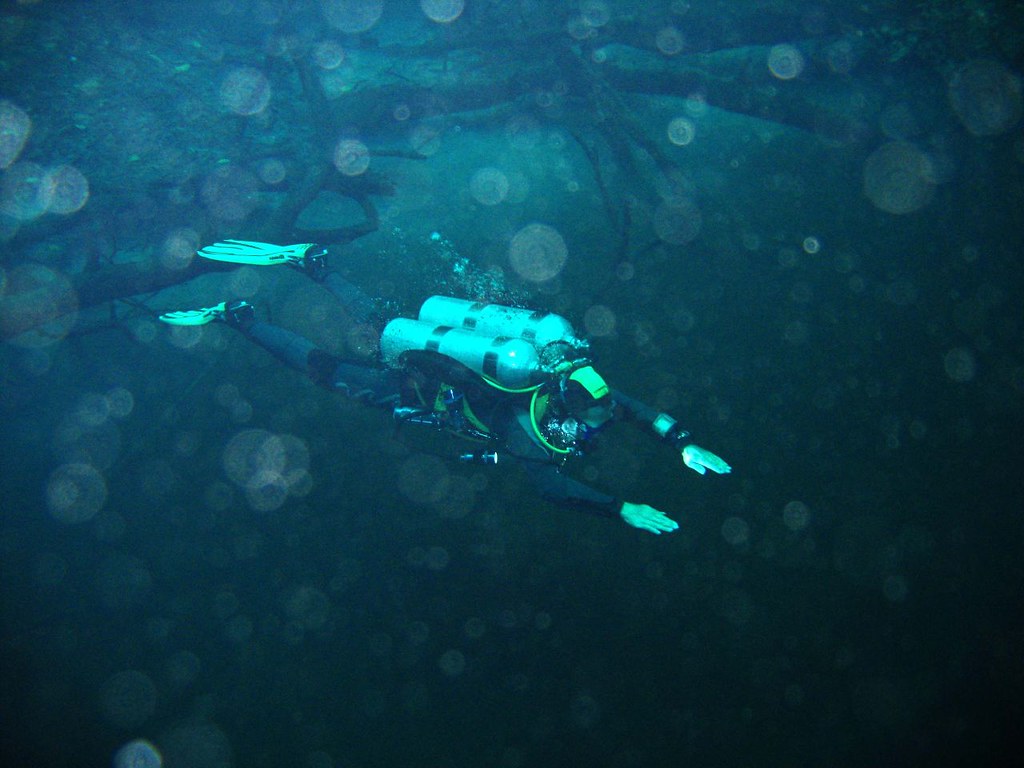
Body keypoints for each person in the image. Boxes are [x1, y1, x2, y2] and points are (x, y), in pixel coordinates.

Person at [161, 240, 732, 535]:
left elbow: (632, 409)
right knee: (327, 370)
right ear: (566, 406)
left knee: (380, 319)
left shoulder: (567, 381)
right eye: (596, 420)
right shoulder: (523, 431)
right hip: (415, 388)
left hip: (436, 353)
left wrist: (682, 442)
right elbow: (551, 488)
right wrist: (620, 508)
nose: (606, 420)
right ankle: (240, 318)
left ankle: (315, 266)